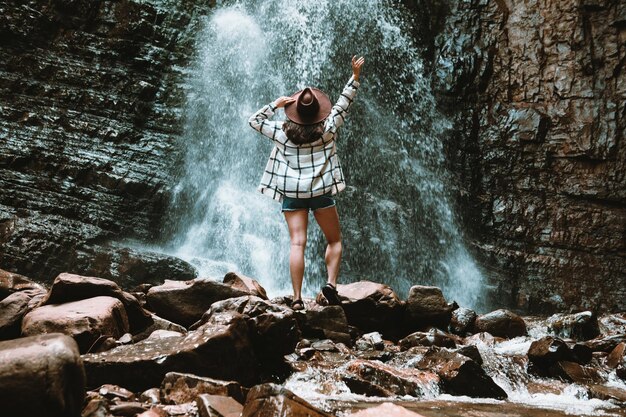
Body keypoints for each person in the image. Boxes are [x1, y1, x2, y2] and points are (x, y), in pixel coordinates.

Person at [248, 56, 365, 310]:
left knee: (297, 243)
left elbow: (254, 121)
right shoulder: (328, 129)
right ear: (317, 112)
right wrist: (354, 77)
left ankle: (298, 299)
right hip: (320, 191)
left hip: (292, 193)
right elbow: (343, 105)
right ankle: (331, 285)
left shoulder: (281, 131)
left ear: (295, 111)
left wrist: (275, 104)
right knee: (334, 240)